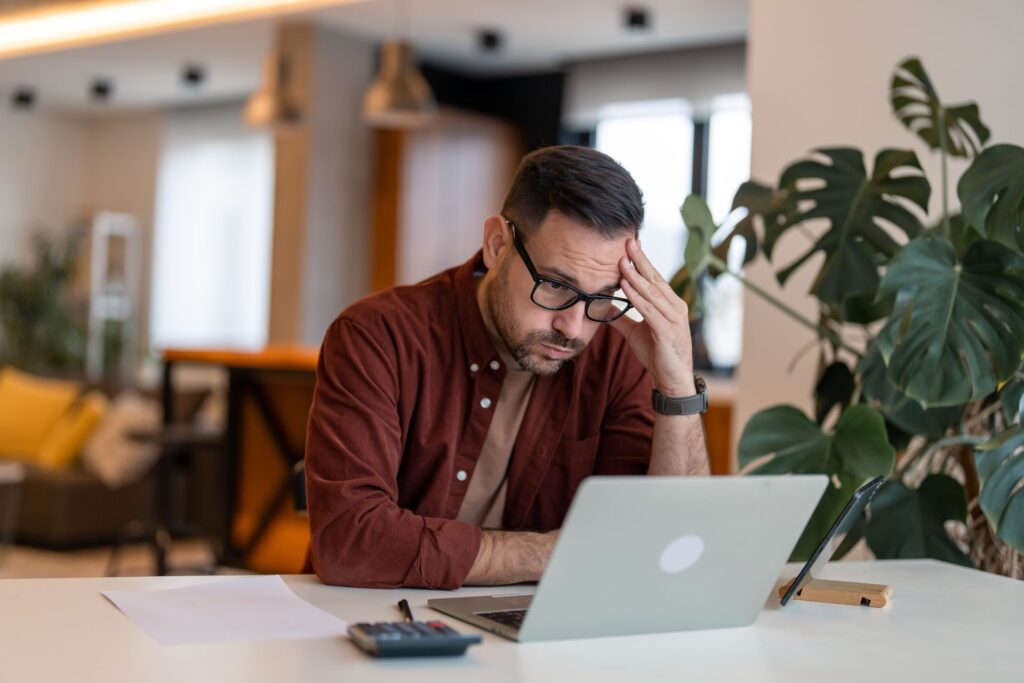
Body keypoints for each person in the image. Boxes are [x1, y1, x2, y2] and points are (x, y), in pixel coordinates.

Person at [305, 145, 709, 590]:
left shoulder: (615, 353)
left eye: (603, 296)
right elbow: (350, 542)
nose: (573, 328)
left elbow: (671, 547)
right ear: (498, 245)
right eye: (556, 285)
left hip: (540, 632)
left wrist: (677, 388)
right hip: (374, 623)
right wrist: (558, 553)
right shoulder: (379, 336)